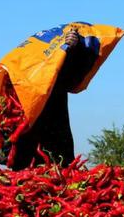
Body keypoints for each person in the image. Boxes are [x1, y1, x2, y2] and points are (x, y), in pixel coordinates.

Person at [10, 28, 98, 170]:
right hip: (26, 144)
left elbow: (76, 74)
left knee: (59, 172)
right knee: (25, 177)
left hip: (56, 133)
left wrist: (76, 47)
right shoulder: (19, 81)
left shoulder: (56, 72)